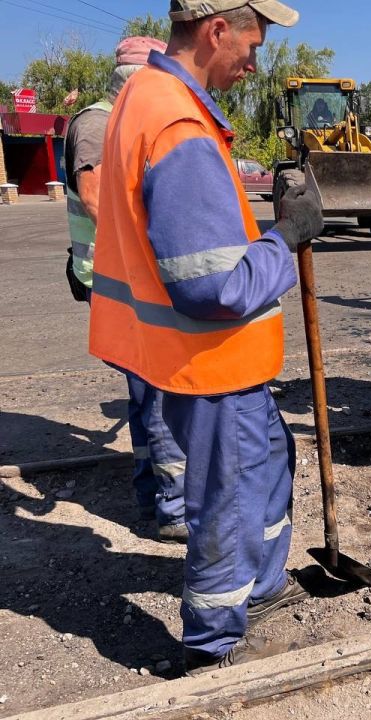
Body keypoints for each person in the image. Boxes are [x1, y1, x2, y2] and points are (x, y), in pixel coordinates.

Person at [89, 0, 323, 674]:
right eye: (252, 46)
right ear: (216, 30)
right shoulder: (178, 124)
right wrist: (286, 237)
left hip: (202, 358)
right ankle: (213, 642)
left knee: (269, 462)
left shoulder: (145, 96)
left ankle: (263, 585)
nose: (254, 64)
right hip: (211, 360)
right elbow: (213, 287)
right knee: (231, 497)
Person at [63, 36, 188, 544]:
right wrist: (150, 260)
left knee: (144, 392)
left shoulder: (116, 122)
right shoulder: (97, 124)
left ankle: (149, 491)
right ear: (137, 81)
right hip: (120, 280)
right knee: (160, 389)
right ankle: (175, 506)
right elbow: (95, 197)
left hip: (121, 277)